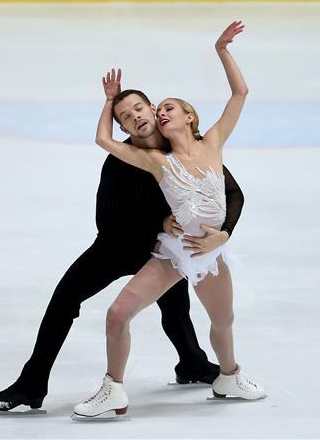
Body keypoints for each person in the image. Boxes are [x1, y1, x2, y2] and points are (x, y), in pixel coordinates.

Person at [0, 86, 245, 413]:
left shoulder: (183, 147)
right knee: (65, 298)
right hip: (117, 247)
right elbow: (107, 222)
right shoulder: (119, 162)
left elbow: (231, 192)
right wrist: (159, 225)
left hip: (165, 251)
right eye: (125, 117)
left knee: (176, 306)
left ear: (153, 111)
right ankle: (32, 383)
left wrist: (223, 233)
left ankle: (192, 362)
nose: (136, 117)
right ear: (123, 128)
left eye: (139, 109)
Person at [73, 21, 265, 420]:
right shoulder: (157, 160)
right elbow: (104, 141)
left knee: (223, 321)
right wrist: (110, 103)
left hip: (208, 252)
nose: (160, 114)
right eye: (156, 110)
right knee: (117, 314)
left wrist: (221, 50)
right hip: (175, 253)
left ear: (189, 117)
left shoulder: (213, 143)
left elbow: (240, 93)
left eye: (167, 108)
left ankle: (228, 376)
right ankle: (113, 389)